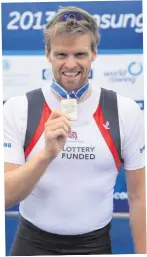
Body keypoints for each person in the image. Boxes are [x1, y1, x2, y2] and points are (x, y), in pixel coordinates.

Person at [4, 6, 146, 255]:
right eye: (61, 54)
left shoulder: (124, 111)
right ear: (48, 54)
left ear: (94, 54)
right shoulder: (19, 109)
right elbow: (5, 197)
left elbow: (139, 197)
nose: (71, 64)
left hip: (94, 245)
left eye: (80, 54)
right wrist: (45, 155)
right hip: (32, 244)